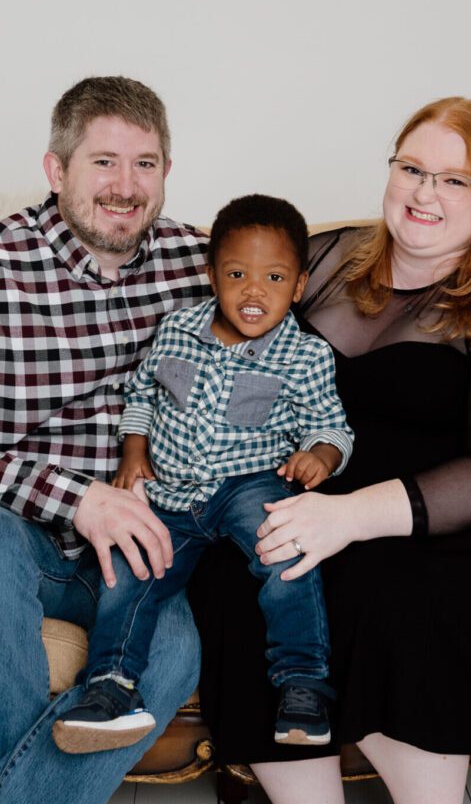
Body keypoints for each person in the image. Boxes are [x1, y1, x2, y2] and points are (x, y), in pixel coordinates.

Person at [187, 98, 471, 804]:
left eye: (453, 180)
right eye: (411, 168)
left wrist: (348, 518)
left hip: (460, 528)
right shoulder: (324, 258)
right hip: (317, 502)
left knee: (387, 596)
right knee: (239, 577)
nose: (423, 192)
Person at [0, 76, 212, 804]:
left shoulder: (205, 268)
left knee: (177, 651)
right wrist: (75, 498)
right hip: (16, 540)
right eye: (104, 162)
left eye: (146, 163)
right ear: (56, 169)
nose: (126, 186)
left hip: (142, 552)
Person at [52, 195, 353, 755]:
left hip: (250, 483)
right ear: (211, 274)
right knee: (130, 564)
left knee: (286, 550)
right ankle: (110, 689)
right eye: (237, 274)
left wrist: (321, 456)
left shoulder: (306, 355)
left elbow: (333, 428)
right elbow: (140, 393)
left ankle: (303, 684)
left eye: (275, 276)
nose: (254, 291)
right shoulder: (177, 331)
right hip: (171, 489)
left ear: (300, 284)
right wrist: (134, 452)